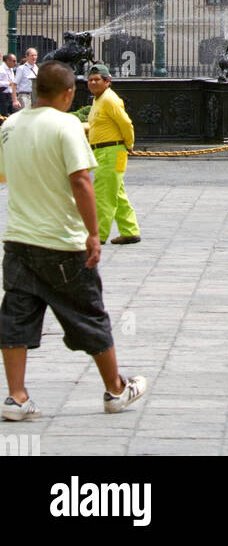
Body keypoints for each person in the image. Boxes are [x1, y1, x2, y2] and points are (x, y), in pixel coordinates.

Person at [0, 61, 146, 420]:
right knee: (89, 314)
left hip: (19, 242)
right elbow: (81, 181)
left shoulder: (11, 126)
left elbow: (4, 175)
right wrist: (94, 234)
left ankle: (17, 397)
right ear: (68, 94)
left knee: (16, 317)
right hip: (63, 242)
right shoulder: (67, 124)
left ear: (35, 91)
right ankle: (115, 389)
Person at [84, 65, 141, 246]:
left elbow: (126, 123)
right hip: (103, 152)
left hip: (111, 152)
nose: (93, 82)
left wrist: (129, 144)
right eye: (90, 79)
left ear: (107, 82)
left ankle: (99, 234)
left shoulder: (109, 99)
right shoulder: (98, 100)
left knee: (104, 194)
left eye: (97, 79)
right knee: (116, 193)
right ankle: (130, 230)